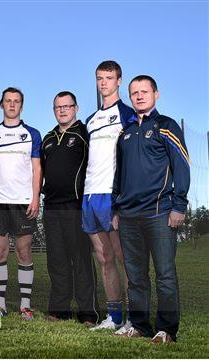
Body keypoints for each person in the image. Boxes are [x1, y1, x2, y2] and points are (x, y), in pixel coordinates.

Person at [112, 75, 189, 343]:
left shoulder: (166, 126)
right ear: (130, 97)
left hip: (159, 213)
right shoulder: (125, 133)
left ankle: (167, 329)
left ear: (156, 94)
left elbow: (182, 166)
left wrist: (179, 205)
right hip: (128, 216)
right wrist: (115, 209)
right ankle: (140, 325)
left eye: (145, 91)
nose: (140, 96)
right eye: (134, 93)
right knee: (135, 276)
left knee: (165, 275)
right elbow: (118, 175)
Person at [83, 61, 136, 333]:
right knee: (103, 257)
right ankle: (114, 316)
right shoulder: (91, 120)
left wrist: (123, 196)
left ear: (119, 81)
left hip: (112, 195)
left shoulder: (128, 114)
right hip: (90, 195)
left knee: (124, 256)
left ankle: (133, 317)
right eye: (99, 78)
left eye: (109, 78)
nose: (103, 83)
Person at [0, 87, 42, 320]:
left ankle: (25, 305)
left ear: (21, 105)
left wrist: (36, 198)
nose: (12, 105)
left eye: (16, 101)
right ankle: (0, 305)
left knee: (24, 251)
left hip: (24, 202)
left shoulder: (32, 133)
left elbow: (37, 168)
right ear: (1, 104)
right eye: (8, 101)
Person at [41, 91, 99, 324]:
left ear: (76, 108)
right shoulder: (47, 138)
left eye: (67, 106)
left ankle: (88, 312)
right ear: (54, 110)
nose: (63, 110)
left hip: (76, 206)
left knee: (81, 259)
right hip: (51, 207)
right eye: (58, 107)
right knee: (57, 260)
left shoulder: (85, 134)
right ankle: (60, 310)